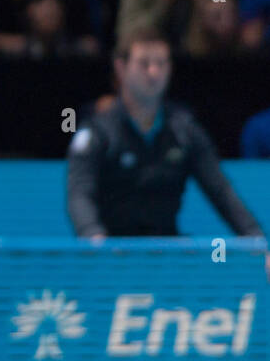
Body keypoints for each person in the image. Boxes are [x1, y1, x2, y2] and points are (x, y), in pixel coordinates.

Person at [66, 27, 266, 261]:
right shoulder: (97, 133)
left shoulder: (185, 130)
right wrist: (94, 238)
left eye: (161, 63)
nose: (153, 72)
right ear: (121, 68)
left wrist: (258, 241)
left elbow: (221, 192)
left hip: (167, 253)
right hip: (112, 253)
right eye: (144, 63)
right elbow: (79, 194)